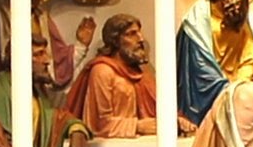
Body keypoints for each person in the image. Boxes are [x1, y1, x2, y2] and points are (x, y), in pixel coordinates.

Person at [64, 13, 192, 138]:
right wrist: (137, 126)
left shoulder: (142, 74)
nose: (141, 39)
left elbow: (158, 110)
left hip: (142, 145)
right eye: (131, 34)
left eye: (139, 32)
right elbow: (99, 124)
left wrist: (176, 121)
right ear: (115, 41)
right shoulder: (102, 71)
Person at [177, 0, 253, 126]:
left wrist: (240, 84)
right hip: (206, 96)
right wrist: (227, 90)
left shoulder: (244, 21)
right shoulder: (198, 21)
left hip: (238, 89)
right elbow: (199, 67)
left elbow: (250, 58)